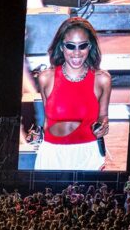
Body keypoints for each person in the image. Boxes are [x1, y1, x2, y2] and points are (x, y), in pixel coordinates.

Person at [34, 17, 111, 171]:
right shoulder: (45, 78)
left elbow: (103, 116)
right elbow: (48, 120)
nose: (77, 53)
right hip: (52, 154)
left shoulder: (102, 79)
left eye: (82, 46)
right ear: (62, 47)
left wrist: (104, 126)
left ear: (90, 47)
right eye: (70, 46)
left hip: (88, 154)